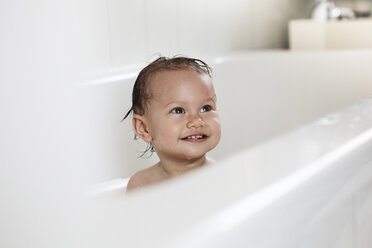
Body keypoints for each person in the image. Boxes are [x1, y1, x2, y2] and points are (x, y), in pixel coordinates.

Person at [123, 56, 221, 191]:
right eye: (178, 110)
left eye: (206, 108)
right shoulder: (141, 184)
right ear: (144, 129)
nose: (197, 121)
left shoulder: (221, 177)